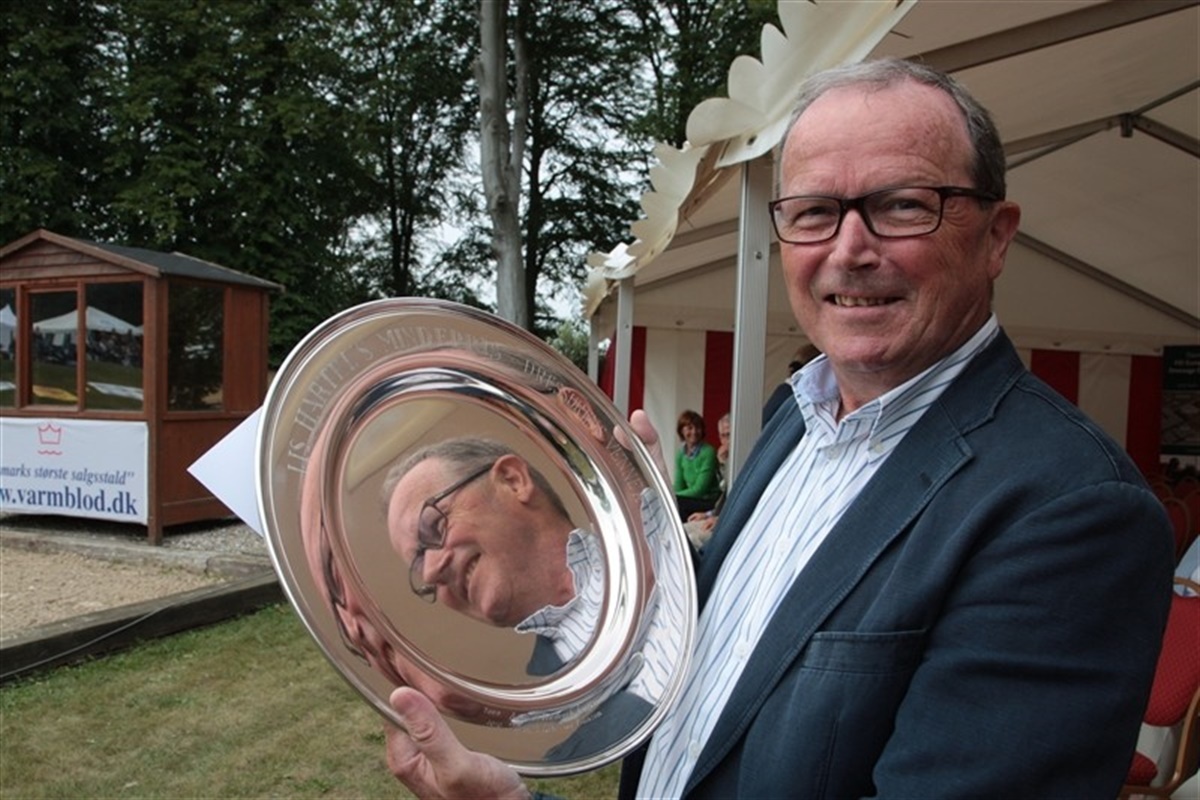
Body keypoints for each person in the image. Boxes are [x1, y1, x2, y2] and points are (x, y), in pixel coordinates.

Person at [383, 57, 1174, 799]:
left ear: (995, 236)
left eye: (903, 205)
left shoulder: (1070, 509)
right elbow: (730, 660)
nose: (850, 250)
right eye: (815, 212)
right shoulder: (794, 418)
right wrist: (631, 553)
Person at [384, 437, 603, 674]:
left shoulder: (634, 522)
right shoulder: (551, 692)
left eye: (435, 526)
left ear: (513, 481)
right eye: (418, 564)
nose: (430, 573)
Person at [684, 413, 730, 549]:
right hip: (716, 512)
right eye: (722, 436)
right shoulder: (682, 453)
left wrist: (719, 518)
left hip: (724, 517)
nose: (725, 441)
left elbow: (700, 489)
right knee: (680, 530)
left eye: (728, 435)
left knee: (691, 539)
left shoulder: (740, 457)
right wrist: (708, 514)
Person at [672, 410, 721, 521]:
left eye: (698, 428)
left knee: (678, 502)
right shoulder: (680, 454)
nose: (694, 432)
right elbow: (679, 486)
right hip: (690, 499)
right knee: (672, 503)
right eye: (689, 428)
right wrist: (672, 496)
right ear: (682, 431)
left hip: (708, 500)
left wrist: (673, 496)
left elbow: (700, 489)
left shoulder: (708, 452)